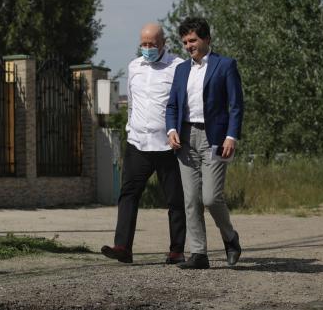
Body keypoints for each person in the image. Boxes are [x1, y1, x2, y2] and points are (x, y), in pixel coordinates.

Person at [101, 23, 186, 264]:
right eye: (144, 44)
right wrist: (130, 128)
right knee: (128, 194)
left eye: (152, 44)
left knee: (175, 199)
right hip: (138, 142)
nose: (147, 48)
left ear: (163, 43)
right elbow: (132, 102)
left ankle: (177, 250)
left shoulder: (178, 67)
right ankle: (122, 247)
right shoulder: (134, 67)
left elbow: (184, 103)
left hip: (168, 145)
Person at [166, 16, 244, 270]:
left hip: (216, 138)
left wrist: (231, 136)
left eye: (193, 40)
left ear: (207, 39)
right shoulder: (181, 70)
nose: (189, 46)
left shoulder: (225, 65)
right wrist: (171, 129)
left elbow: (236, 105)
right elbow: (172, 105)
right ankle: (199, 253)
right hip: (185, 139)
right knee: (191, 199)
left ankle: (230, 238)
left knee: (210, 198)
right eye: (185, 42)